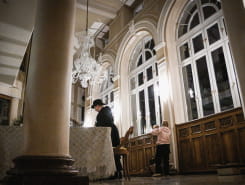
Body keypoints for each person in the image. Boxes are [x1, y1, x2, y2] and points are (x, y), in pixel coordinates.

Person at [91, 99, 122, 179]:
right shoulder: (106, 111)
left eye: (95, 107)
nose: (95, 109)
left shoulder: (103, 112)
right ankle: (117, 172)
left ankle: (114, 173)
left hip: (110, 133)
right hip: (112, 132)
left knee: (110, 152)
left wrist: (96, 125)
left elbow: (103, 123)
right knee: (113, 153)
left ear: (97, 106)